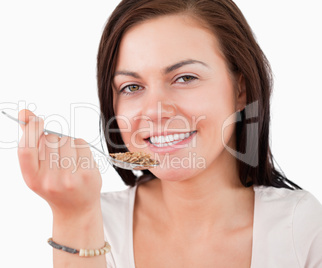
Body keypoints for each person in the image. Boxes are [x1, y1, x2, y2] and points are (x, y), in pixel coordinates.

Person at [17, 0, 322, 267]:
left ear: (240, 90)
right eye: (132, 87)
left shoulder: (300, 228)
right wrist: (75, 218)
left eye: (185, 78)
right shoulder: (96, 224)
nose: (156, 111)